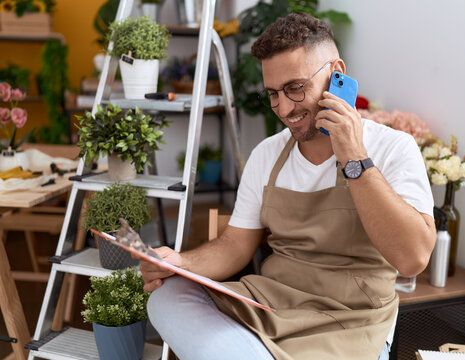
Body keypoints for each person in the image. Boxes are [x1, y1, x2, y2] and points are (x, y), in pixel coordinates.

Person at [141, 12, 435, 360]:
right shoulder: (267, 154)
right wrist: (180, 263)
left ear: (336, 74)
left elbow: (413, 259)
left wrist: (354, 157)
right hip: (269, 304)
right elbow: (236, 245)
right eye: (273, 93)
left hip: (351, 321)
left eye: (296, 88)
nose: (284, 107)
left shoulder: (393, 148)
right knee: (166, 295)